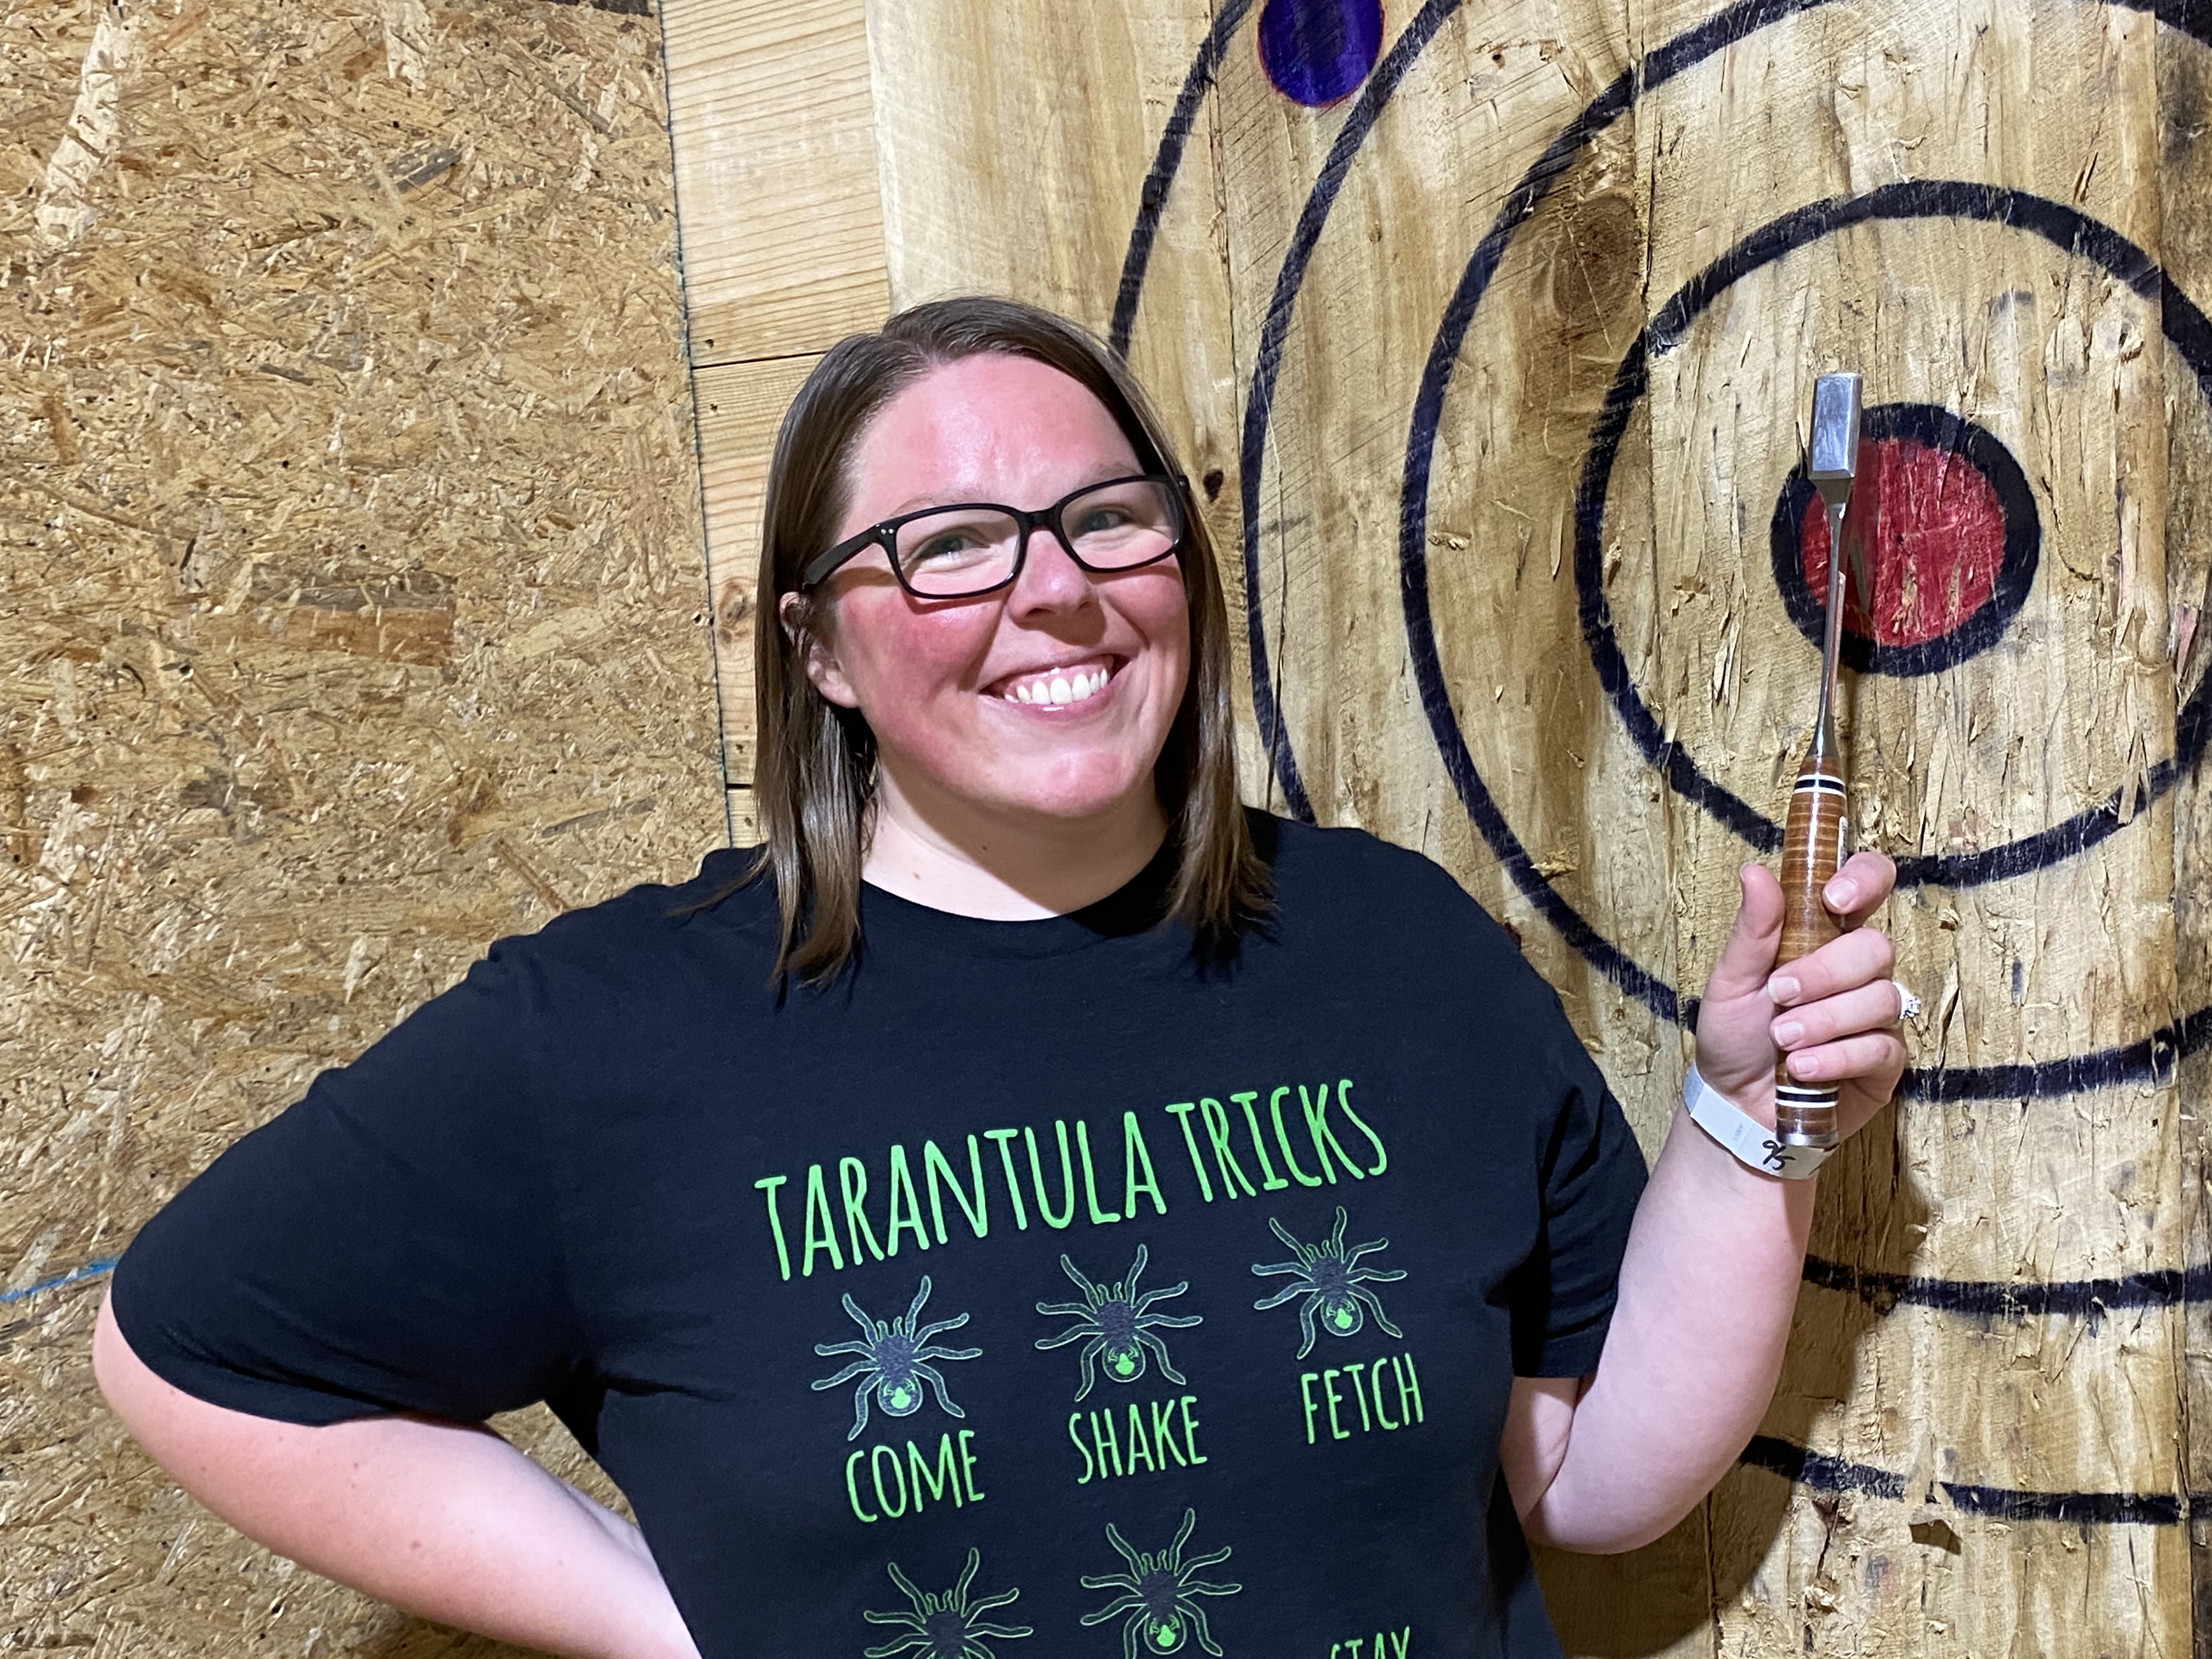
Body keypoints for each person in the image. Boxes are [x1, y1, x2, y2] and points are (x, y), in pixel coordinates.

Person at [94, 296, 1908, 1659]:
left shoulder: (1399, 950)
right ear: (818, 647)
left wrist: (1749, 1122)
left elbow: (1583, 1485)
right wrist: (670, 1624)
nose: (1055, 592)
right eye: (949, 546)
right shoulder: (611, 1040)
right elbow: (188, 1355)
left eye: (1106, 516)